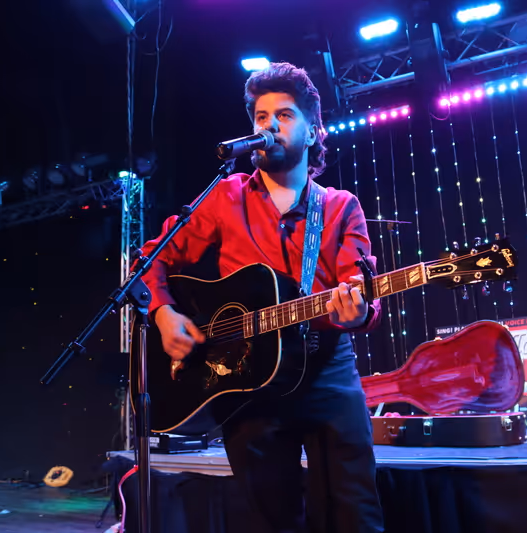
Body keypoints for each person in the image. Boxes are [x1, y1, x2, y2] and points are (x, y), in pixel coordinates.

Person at [139, 62, 385, 533]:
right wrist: (165, 313)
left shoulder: (338, 206)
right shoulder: (225, 196)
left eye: (284, 115)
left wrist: (356, 312)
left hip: (326, 371)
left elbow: (362, 290)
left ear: (313, 132)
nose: (268, 124)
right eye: (260, 115)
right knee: (266, 520)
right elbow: (152, 260)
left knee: (355, 514)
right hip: (248, 378)